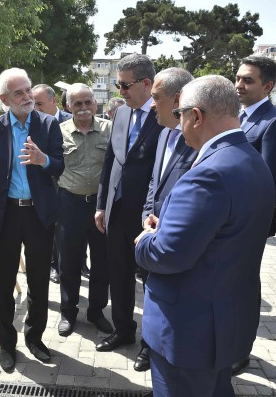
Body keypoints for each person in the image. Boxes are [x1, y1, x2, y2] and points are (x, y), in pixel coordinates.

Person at [135, 75, 274, 397]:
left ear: (196, 116)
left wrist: (145, 241)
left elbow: (167, 254)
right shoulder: (251, 159)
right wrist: (170, 222)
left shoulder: (209, 173)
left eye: (179, 115)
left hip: (188, 330)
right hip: (224, 321)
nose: (177, 124)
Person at [0, 68, 64, 372]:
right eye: (19, 92)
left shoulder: (48, 125)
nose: (27, 97)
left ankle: (35, 338)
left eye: (29, 90)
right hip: (5, 215)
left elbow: (59, 165)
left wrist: (43, 159)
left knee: (39, 281)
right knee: (4, 284)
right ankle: (7, 345)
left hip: (38, 214)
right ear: (4, 98)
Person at [95, 53, 163, 355]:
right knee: (119, 274)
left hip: (148, 217)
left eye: (124, 85)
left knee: (150, 282)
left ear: (146, 83)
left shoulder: (166, 116)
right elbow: (110, 160)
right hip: (116, 210)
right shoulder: (121, 113)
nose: (119, 92)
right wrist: (101, 205)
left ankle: (151, 343)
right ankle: (123, 330)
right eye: (117, 85)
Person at [233, 56, 276, 374]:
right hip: (225, 220)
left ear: (268, 86)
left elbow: (269, 182)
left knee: (242, 287)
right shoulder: (234, 115)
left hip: (248, 222)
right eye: (238, 78)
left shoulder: (275, 122)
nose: (239, 85)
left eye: (248, 80)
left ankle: (240, 351)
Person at [135, 67, 196, 373]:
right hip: (152, 234)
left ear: (177, 100)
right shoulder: (162, 134)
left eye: (155, 97)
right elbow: (153, 184)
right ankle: (149, 346)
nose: (150, 103)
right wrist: (148, 214)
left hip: (174, 242)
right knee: (151, 297)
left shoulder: (197, 142)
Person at [55, 83, 113, 337]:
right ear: (68, 106)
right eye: (77, 103)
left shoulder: (110, 131)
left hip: (101, 207)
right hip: (70, 204)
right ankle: (68, 312)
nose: (83, 108)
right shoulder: (58, 133)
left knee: (102, 262)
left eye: (87, 102)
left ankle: (96, 312)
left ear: (95, 104)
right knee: (68, 261)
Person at [32, 83, 72, 284]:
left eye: (39, 104)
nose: (35, 109)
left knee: (66, 229)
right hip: (44, 186)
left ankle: (77, 264)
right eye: (33, 104)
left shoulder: (70, 121)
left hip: (69, 186)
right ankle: (52, 265)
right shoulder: (32, 123)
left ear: (54, 101)